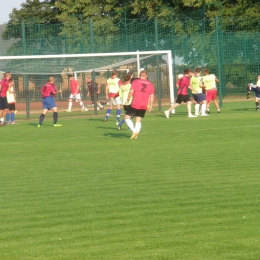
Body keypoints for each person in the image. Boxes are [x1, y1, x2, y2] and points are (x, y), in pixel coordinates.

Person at [124, 70, 154, 139]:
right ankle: (135, 135)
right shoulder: (150, 84)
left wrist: (128, 100)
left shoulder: (135, 82)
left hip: (136, 103)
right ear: (146, 76)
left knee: (126, 117)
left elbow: (131, 92)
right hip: (144, 104)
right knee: (138, 119)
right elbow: (152, 96)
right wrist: (151, 106)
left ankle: (134, 131)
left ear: (139, 75)